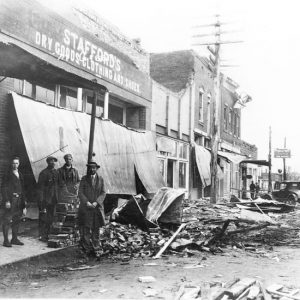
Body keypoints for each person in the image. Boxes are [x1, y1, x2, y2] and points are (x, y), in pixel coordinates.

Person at [78, 159, 106, 256]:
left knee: (96, 229)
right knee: (86, 228)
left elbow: (103, 193)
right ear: (88, 169)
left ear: (96, 169)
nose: (92, 169)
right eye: (90, 168)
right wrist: (87, 202)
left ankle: (96, 249)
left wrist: (97, 202)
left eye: (94, 168)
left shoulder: (101, 179)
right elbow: (80, 192)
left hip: (96, 209)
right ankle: (86, 249)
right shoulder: (84, 179)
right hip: (86, 208)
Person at [1, 157, 27, 247]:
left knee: (17, 219)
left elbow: (23, 190)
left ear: (19, 164)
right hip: (11, 200)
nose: (15, 165)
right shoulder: (7, 175)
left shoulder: (20, 174)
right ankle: (6, 241)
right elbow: (3, 188)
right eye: (13, 163)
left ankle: (14, 239)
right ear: (11, 164)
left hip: (19, 200)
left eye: (16, 163)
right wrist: (7, 200)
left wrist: (24, 205)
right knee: (7, 220)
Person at [37, 156, 59, 242]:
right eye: (51, 161)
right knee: (43, 218)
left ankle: (49, 234)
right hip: (46, 199)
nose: (52, 163)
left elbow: (59, 185)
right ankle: (42, 235)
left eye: (54, 161)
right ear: (47, 163)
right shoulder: (43, 173)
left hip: (54, 199)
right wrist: (41, 201)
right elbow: (40, 189)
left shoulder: (56, 172)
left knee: (51, 217)